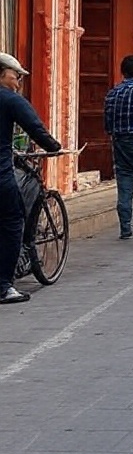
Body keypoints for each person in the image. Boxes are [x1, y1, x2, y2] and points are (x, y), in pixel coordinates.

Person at [0, 54, 61, 304]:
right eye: (15, 77)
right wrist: (54, 147)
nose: (17, 83)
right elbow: (35, 128)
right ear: (2, 74)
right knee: (13, 222)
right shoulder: (10, 99)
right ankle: (4, 285)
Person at [103, 55, 133, 240]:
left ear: (122, 71)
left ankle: (125, 227)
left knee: (124, 183)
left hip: (118, 141)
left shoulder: (113, 93)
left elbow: (107, 123)